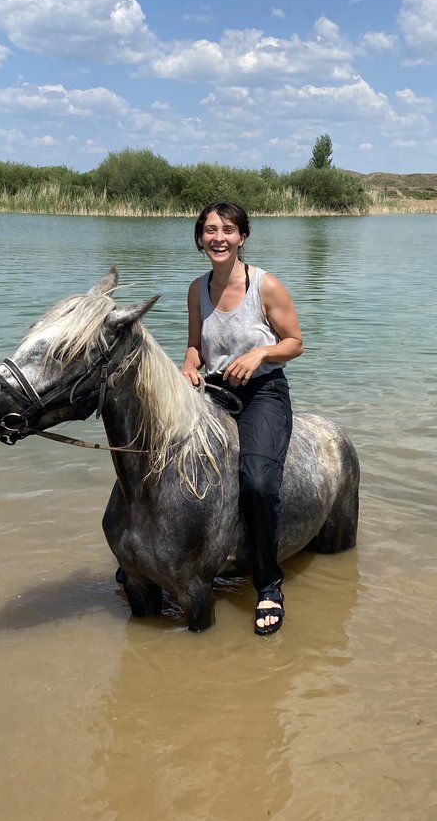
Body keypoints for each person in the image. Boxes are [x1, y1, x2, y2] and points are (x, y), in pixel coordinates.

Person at [180, 202, 303, 635]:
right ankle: (150, 556)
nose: (218, 238)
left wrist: (260, 352)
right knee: (159, 452)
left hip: (262, 392)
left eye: (228, 230)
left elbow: (295, 343)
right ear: (200, 238)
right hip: (213, 391)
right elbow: (195, 345)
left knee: (257, 480)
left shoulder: (266, 287)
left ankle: (268, 584)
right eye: (210, 230)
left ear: (242, 237)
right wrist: (189, 365)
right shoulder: (197, 289)